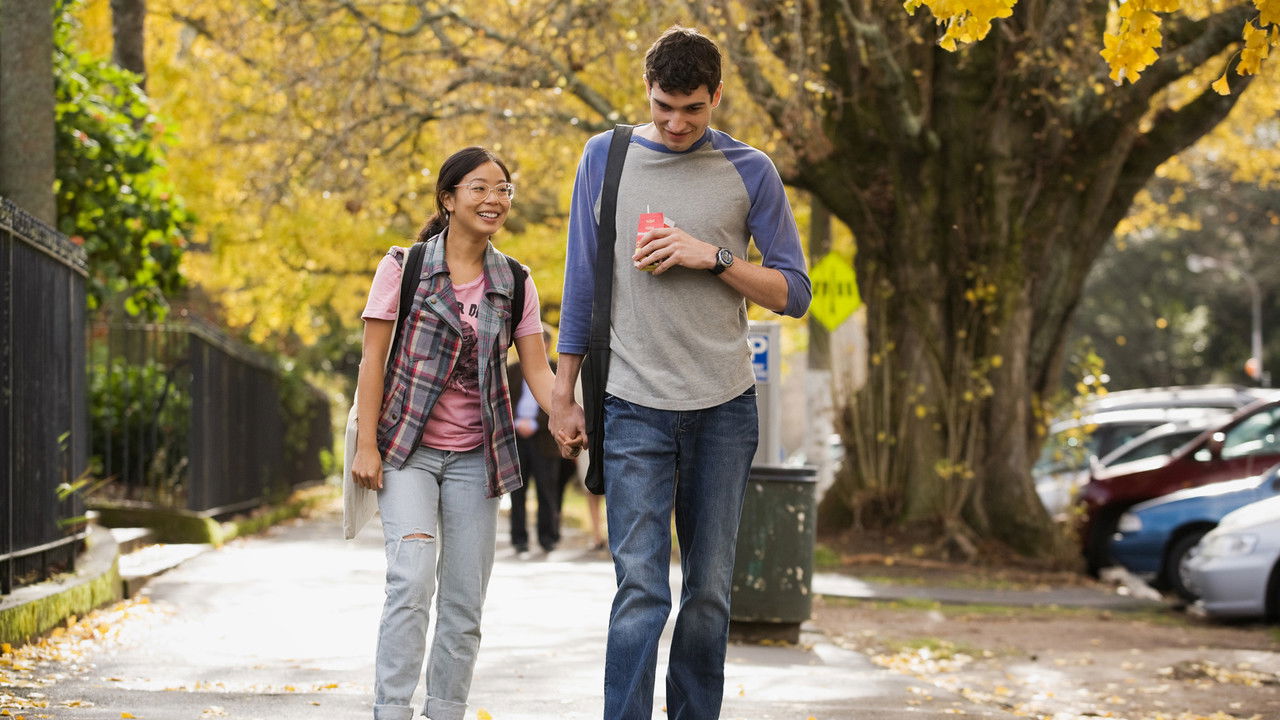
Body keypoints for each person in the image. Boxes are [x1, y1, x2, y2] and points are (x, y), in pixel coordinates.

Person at [548, 26, 812, 720]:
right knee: (641, 588)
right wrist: (562, 393)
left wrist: (713, 258)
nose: (675, 123)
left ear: (716, 96)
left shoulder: (750, 170)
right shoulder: (605, 157)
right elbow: (581, 282)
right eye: (664, 106)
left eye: (692, 109)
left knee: (709, 593)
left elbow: (795, 292)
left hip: (723, 408)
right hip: (631, 404)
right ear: (647, 90)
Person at [350, 146, 577, 720]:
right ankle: (391, 710)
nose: (493, 199)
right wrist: (368, 445)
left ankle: (445, 710)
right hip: (407, 450)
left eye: (503, 189)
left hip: (478, 457)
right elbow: (372, 361)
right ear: (448, 199)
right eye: (479, 187)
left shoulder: (515, 280)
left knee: (464, 599)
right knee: (410, 580)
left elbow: (537, 369)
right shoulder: (403, 268)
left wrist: (565, 412)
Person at [506, 336, 578, 555]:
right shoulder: (513, 370)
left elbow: (563, 403)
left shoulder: (558, 371)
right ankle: (519, 539)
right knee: (517, 491)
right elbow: (504, 399)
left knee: (547, 491)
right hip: (517, 438)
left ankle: (548, 537)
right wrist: (517, 423)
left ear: (546, 344)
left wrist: (535, 423)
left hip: (545, 440)